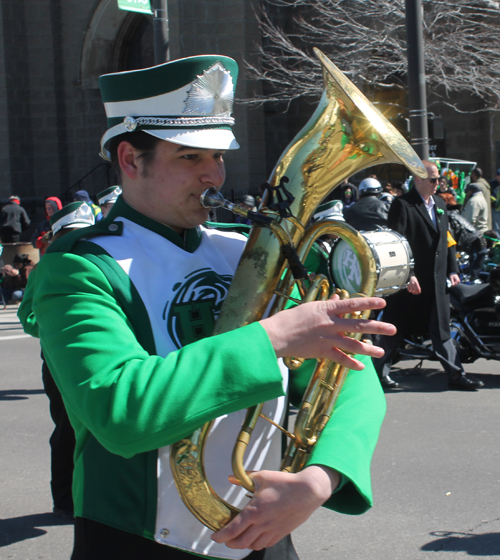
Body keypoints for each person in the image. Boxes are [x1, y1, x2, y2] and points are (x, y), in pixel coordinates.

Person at [19, 55, 396, 560]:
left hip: (266, 532)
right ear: (131, 159)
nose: (214, 176)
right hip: (134, 540)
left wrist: (318, 479)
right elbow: (119, 410)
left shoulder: (243, 250)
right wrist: (274, 338)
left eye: (218, 157)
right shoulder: (78, 266)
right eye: (190, 157)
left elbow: (348, 374)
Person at [373, 160, 484, 391]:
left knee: (442, 329)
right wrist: (408, 274)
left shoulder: (440, 204)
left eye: (439, 180)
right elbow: (396, 243)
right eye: (433, 180)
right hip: (412, 282)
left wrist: (453, 269)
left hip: (437, 280)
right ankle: (376, 374)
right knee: (396, 328)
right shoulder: (403, 205)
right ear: (418, 179)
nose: (438, 184)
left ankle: (456, 375)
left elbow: (447, 239)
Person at [23, 202, 96, 520]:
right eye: (69, 235)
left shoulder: (100, 261)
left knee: (98, 426)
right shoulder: (45, 269)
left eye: (82, 234)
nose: (76, 241)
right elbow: (27, 319)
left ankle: (95, 496)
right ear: (55, 238)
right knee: (68, 429)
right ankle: (65, 499)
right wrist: (55, 328)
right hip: (59, 361)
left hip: (97, 357)